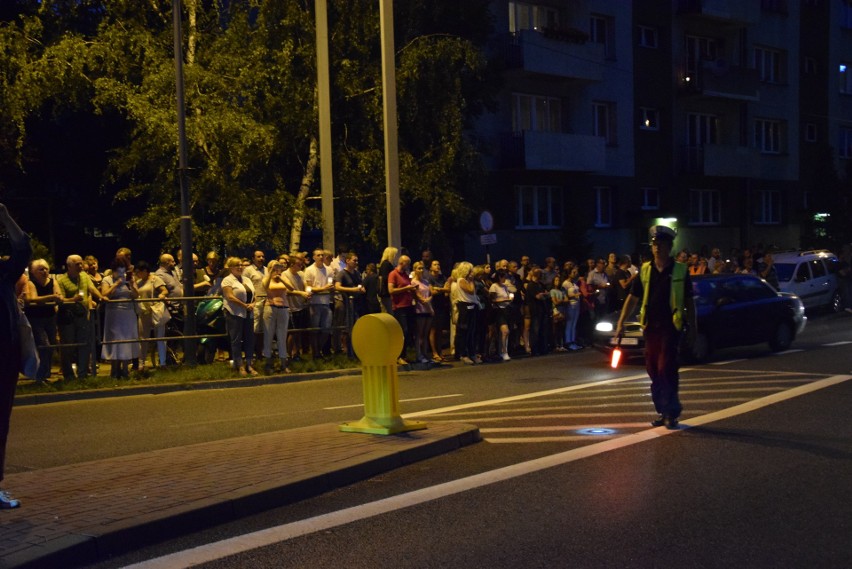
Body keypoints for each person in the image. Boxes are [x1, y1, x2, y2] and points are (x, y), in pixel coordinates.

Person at [615, 225, 696, 430]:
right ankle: (662, 409)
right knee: (653, 369)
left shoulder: (680, 270)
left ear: (669, 247)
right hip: (651, 328)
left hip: (671, 326)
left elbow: (689, 301)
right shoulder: (645, 270)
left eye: (661, 244)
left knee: (666, 368)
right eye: (654, 244)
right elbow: (633, 298)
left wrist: (694, 328)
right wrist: (620, 322)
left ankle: (671, 412)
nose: (657, 248)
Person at [0, 203, 31, 509]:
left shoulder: (4, 274)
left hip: (4, 360)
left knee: (1, 423)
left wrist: (5, 217)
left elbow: (22, 249)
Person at [56, 254, 103, 380]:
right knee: (68, 347)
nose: (81, 266)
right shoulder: (61, 280)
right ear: (69, 266)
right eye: (77, 264)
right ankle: (69, 374)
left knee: (84, 344)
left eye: (81, 263)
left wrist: (101, 297)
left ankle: (83, 374)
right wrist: (73, 299)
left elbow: (91, 289)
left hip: (82, 316)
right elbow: (60, 299)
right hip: (68, 318)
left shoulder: (84, 276)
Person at [100, 256, 140, 379]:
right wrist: (116, 284)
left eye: (124, 269)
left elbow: (135, 295)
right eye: (119, 270)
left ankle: (125, 369)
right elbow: (104, 294)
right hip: (114, 314)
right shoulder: (107, 279)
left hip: (128, 313)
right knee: (115, 341)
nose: (121, 273)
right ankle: (114, 370)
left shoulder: (130, 279)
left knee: (127, 341)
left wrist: (132, 284)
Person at [24, 259, 61, 382]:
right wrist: (51, 297)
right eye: (41, 269)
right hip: (36, 319)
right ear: (34, 272)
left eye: (46, 269)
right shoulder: (31, 283)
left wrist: (56, 299)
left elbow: (59, 295)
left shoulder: (53, 281)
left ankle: (46, 373)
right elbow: (32, 298)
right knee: (44, 346)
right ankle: (40, 375)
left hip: (50, 317)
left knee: (51, 345)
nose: (44, 271)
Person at [221, 256, 257, 376]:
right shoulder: (227, 280)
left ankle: (249, 364)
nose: (240, 267)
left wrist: (252, 304)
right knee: (236, 339)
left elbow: (254, 294)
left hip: (248, 313)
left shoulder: (247, 279)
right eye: (237, 265)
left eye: (241, 265)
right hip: (235, 313)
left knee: (249, 339)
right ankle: (239, 365)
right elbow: (230, 296)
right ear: (231, 267)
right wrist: (244, 305)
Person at [134, 260, 169, 369]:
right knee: (143, 338)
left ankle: (163, 362)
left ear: (144, 271)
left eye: (138, 272)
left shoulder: (155, 279)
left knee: (160, 337)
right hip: (144, 311)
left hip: (155, 311)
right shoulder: (139, 282)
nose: (137, 274)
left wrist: (162, 295)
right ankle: (141, 363)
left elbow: (164, 290)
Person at [303, 248, 335, 359]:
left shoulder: (329, 270)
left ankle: (318, 350)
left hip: (326, 302)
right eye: (318, 255)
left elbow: (330, 284)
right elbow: (308, 287)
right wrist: (323, 288)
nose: (321, 257)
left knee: (326, 329)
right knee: (315, 330)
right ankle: (315, 353)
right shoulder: (309, 270)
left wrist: (331, 288)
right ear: (314, 257)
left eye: (322, 255)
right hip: (314, 303)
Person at [261, 260, 291, 374]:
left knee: (282, 337)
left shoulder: (283, 278)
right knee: (268, 335)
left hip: (283, 308)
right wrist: (270, 273)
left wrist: (281, 277)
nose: (277, 271)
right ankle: (268, 363)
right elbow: (265, 286)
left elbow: (291, 288)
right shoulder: (266, 278)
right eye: (274, 268)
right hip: (270, 307)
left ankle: (283, 363)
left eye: (279, 268)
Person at [387, 255, 417, 365]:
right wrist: (406, 288)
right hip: (399, 307)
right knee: (403, 331)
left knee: (409, 331)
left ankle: (405, 355)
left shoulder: (405, 275)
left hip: (408, 305)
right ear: (402, 263)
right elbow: (391, 290)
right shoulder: (393, 274)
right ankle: (399, 356)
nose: (408, 265)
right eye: (407, 263)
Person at [334, 252, 365, 358]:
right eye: (354, 260)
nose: (356, 262)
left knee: (356, 326)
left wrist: (361, 289)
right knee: (346, 327)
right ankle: (346, 350)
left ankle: (355, 350)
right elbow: (337, 287)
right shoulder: (342, 274)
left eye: (357, 260)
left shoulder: (356, 273)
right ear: (347, 261)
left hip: (356, 303)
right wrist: (352, 289)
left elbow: (360, 284)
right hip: (345, 302)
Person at [410, 261, 434, 364]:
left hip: (428, 309)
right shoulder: (414, 282)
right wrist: (429, 305)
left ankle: (426, 354)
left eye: (422, 268)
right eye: (419, 268)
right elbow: (419, 297)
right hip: (420, 310)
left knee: (425, 333)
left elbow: (431, 293)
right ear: (415, 270)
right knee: (419, 333)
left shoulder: (425, 281)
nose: (421, 270)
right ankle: (419, 355)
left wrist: (429, 300)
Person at [489, 268, 513, 361]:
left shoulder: (504, 286)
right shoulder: (494, 286)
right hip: (498, 310)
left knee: (507, 332)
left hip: (506, 309)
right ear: (499, 277)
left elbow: (508, 296)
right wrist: (505, 300)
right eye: (503, 277)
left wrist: (510, 299)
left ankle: (503, 350)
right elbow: (492, 300)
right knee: (504, 331)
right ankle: (503, 351)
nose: (505, 279)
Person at [377, 246, 399, 314]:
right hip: (386, 292)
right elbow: (386, 278)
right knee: (389, 311)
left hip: (385, 292)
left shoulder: (384, 264)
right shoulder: (386, 264)